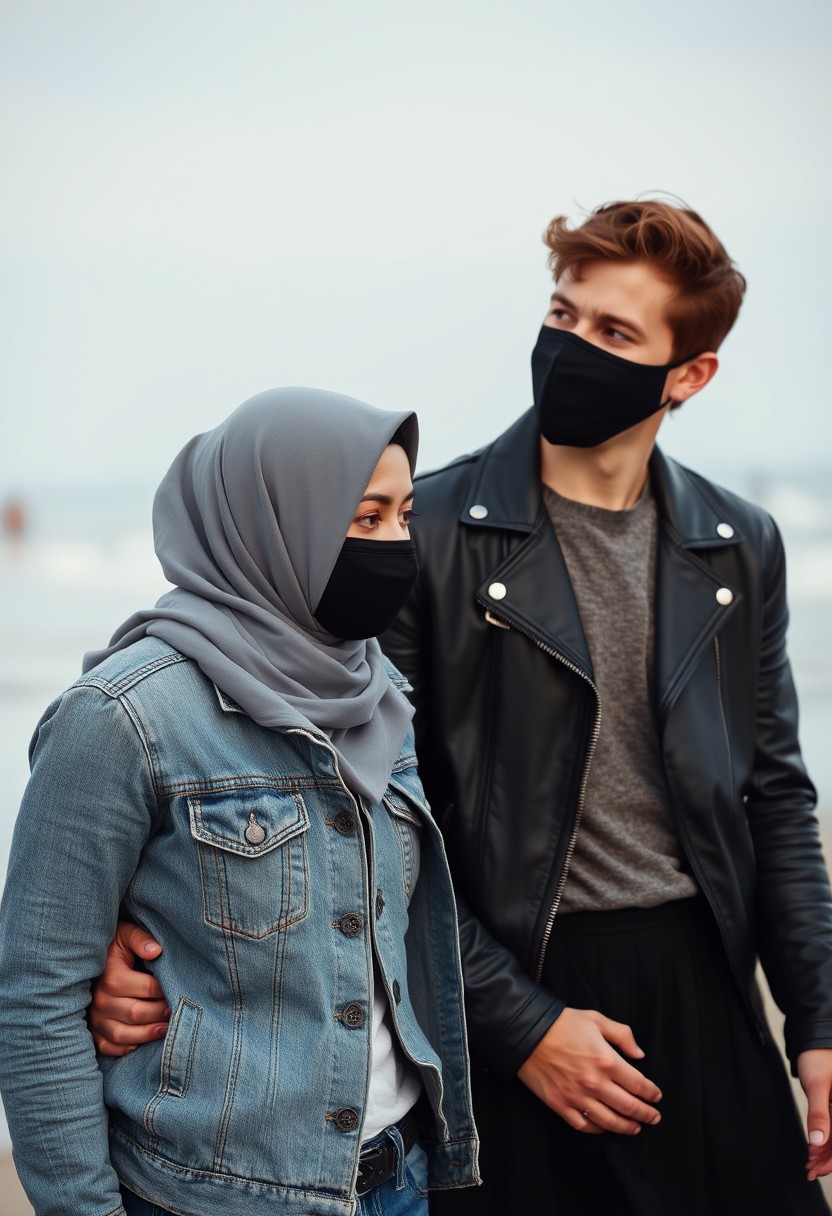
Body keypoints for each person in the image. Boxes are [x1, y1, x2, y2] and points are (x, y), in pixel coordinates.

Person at [90, 200, 832, 1215]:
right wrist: (521, 1025)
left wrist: (817, 1019)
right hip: (496, 988)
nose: (570, 347)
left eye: (613, 333)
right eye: (563, 315)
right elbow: (347, 809)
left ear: (688, 374)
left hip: (704, 985)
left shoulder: (737, 543)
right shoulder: (419, 532)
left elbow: (777, 798)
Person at [0, 387, 479, 1216]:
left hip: (398, 1181)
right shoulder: (124, 717)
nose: (397, 545)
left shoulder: (378, 695)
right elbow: (36, 993)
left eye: (405, 515)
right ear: (273, 521)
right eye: (365, 518)